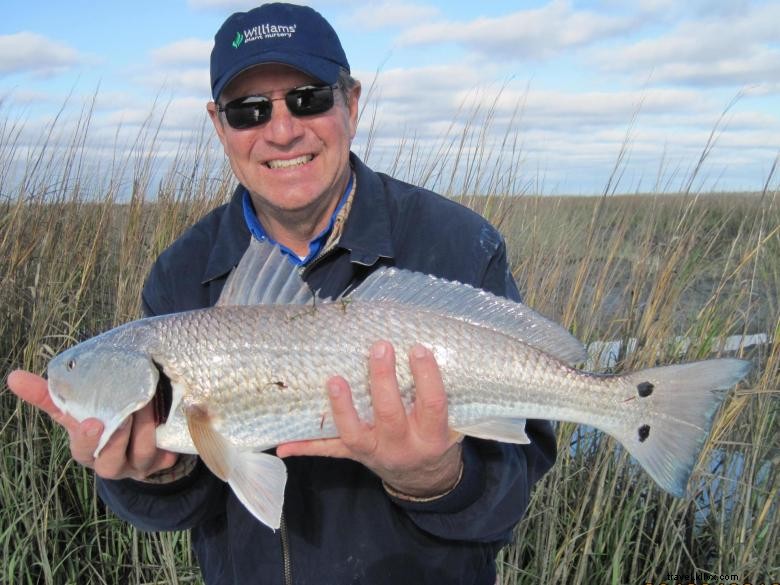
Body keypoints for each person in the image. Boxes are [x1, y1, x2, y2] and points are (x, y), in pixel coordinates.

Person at [8, 3, 556, 584]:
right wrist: (152, 476)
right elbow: (188, 504)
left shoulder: (458, 244)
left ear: (352, 102)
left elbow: (521, 470)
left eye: (309, 98)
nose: (282, 129)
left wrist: (436, 479)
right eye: (248, 111)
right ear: (220, 126)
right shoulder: (181, 272)